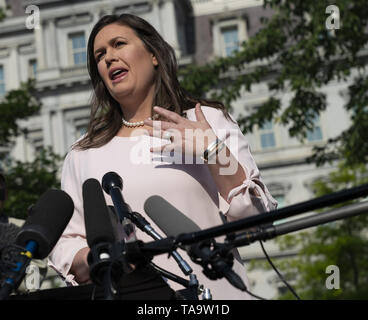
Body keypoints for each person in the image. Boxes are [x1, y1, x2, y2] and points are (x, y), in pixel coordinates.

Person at [48, 14, 277, 300]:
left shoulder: (205, 121)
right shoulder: (84, 153)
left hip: (215, 296)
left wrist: (213, 151)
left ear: (154, 55)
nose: (108, 58)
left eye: (119, 44)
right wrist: (102, 258)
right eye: (100, 55)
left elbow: (256, 219)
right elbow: (68, 247)